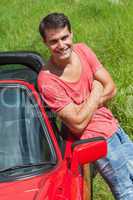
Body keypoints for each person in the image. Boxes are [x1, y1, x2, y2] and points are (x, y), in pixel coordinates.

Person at [37, 12, 133, 200]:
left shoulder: (83, 50)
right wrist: (96, 90)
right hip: (95, 139)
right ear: (45, 43)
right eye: (54, 41)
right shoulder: (47, 80)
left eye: (64, 37)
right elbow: (78, 125)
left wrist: (85, 107)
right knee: (126, 190)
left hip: (113, 125)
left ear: (71, 34)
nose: (62, 45)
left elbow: (111, 88)